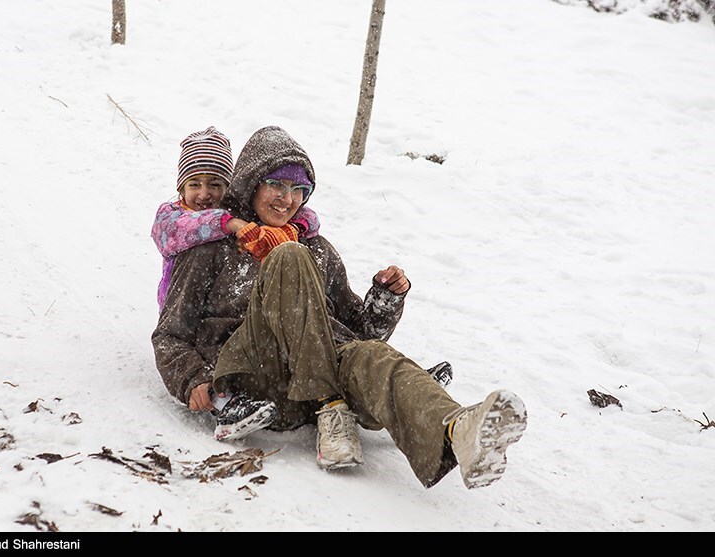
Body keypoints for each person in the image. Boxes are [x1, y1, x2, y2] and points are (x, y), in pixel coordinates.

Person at [152, 125, 527, 489]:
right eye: (277, 185)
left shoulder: (318, 248)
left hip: (304, 398)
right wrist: (192, 380)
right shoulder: (211, 248)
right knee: (289, 257)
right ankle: (331, 402)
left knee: (373, 356)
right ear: (251, 183)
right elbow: (170, 334)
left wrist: (385, 300)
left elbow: (358, 331)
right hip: (256, 378)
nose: (288, 198)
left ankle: (456, 431)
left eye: (299, 189)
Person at [151, 125, 320, 441]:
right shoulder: (177, 221)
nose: (205, 194)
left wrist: (298, 223)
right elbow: (179, 229)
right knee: (210, 351)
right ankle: (223, 403)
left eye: (215, 184)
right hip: (185, 306)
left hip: (223, 312)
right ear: (181, 189)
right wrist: (230, 223)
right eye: (195, 184)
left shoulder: (241, 226)